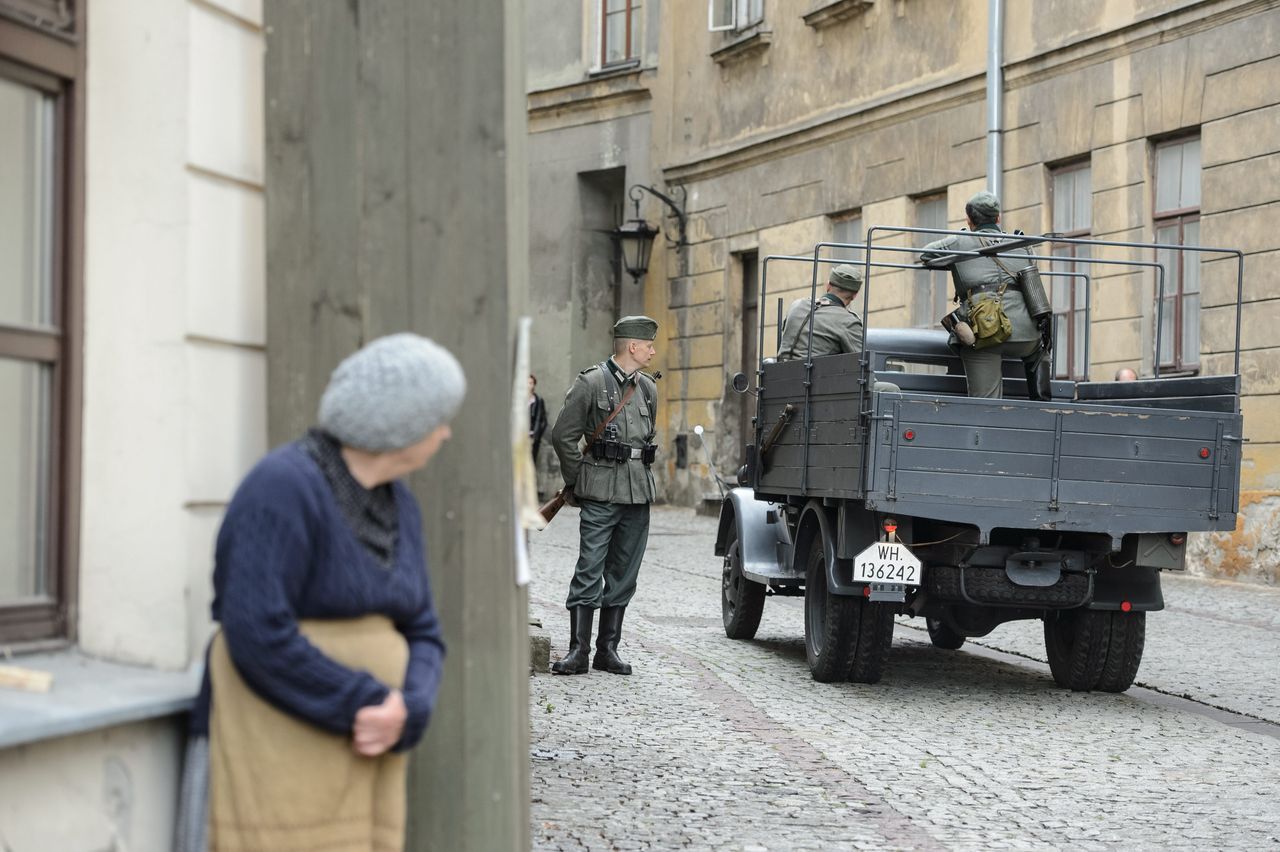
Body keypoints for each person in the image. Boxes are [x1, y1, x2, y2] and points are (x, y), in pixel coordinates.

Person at [177, 333, 464, 852]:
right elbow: (255, 629)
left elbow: (423, 630)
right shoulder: (282, 488)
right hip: (274, 736)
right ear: (400, 425)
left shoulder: (400, 504)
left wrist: (411, 708)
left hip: (367, 746)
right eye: (437, 418)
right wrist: (366, 700)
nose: (445, 432)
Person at [549, 316, 660, 676]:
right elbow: (563, 436)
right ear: (632, 346)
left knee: (625, 572)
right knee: (589, 568)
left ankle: (607, 649)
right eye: (648, 345)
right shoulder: (592, 382)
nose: (652, 351)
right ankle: (577, 651)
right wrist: (578, 481)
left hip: (637, 492)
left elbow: (644, 439)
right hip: (599, 491)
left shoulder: (648, 389)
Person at [920, 191, 1049, 399]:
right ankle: (1042, 401)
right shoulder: (1021, 245)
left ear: (969, 220)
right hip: (1026, 335)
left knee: (985, 401)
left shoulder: (960, 242)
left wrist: (962, 240)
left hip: (985, 334)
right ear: (998, 218)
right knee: (1041, 349)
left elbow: (925, 254)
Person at [776, 264, 865, 361]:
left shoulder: (797, 305)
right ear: (854, 295)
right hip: (815, 375)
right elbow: (861, 363)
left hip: (781, 373)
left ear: (828, 286)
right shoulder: (848, 321)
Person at [529, 374, 548, 467]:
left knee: (531, 463)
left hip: (533, 438)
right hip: (522, 435)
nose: (528, 385)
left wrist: (537, 434)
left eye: (531, 383)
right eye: (527, 383)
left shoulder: (538, 400)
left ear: (534, 385)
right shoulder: (520, 400)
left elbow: (544, 421)